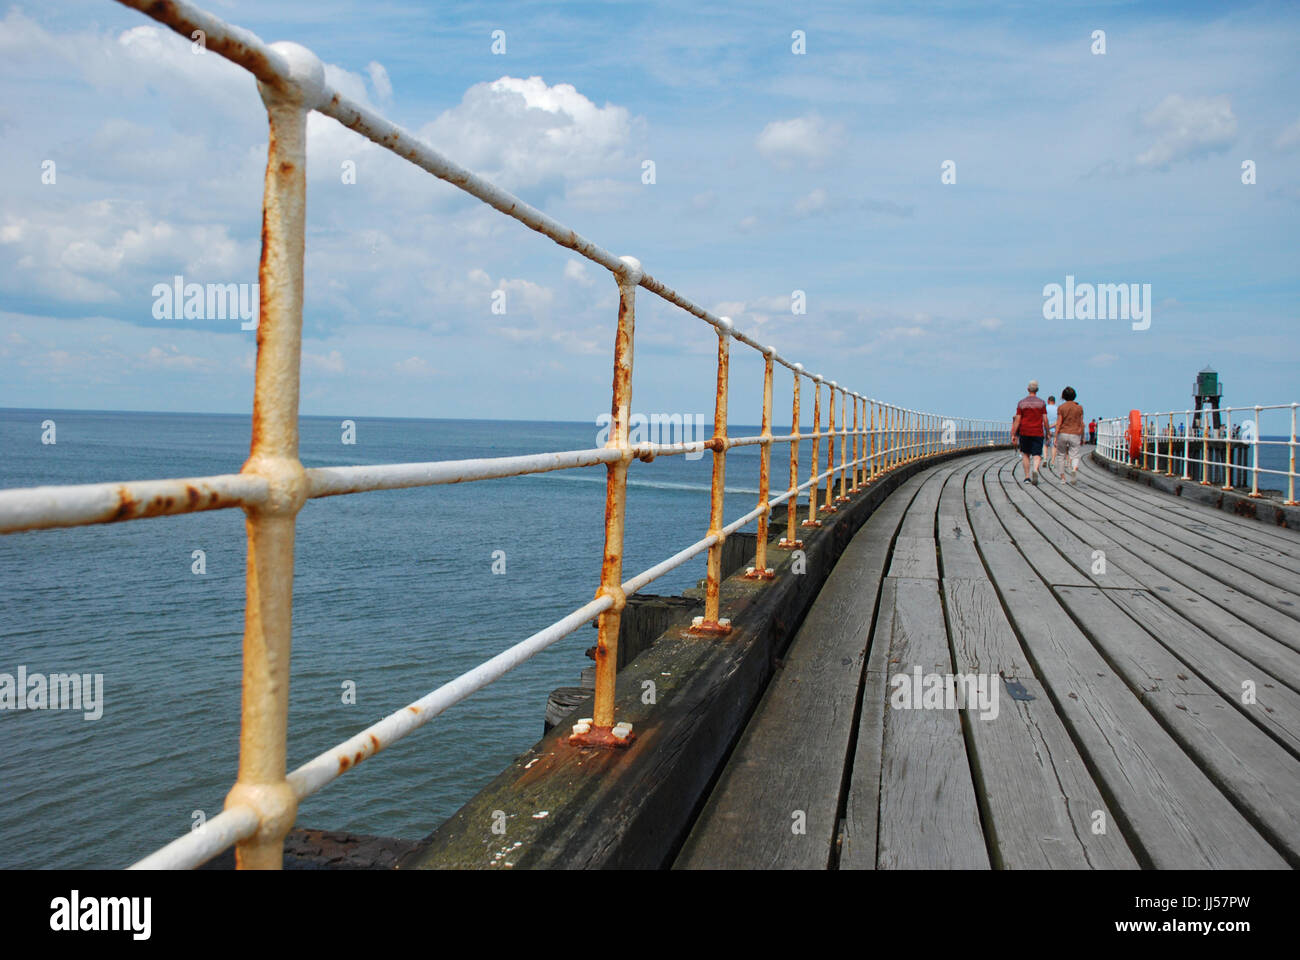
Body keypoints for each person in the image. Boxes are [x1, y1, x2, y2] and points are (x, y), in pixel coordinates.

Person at [1011, 380, 1048, 485]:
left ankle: (1027, 477)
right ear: (1037, 390)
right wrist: (1048, 432)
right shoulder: (1041, 403)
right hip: (1038, 431)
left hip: (1025, 431)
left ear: (1028, 389)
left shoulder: (1021, 403)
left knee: (1026, 454)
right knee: (1037, 454)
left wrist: (1014, 434)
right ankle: (1035, 469)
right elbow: (1045, 419)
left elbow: (1018, 420)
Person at [1054, 387, 1085, 484]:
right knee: (1075, 455)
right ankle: (1074, 470)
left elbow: (1059, 423)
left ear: (1063, 396)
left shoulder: (1061, 407)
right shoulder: (1079, 408)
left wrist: (1055, 436)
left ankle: (1062, 478)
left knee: (1061, 456)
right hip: (1075, 433)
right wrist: (1083, 436)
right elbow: (1081, 423)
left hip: (1063, 433)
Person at [1045, 395, 1058, 467]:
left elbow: (1043, 419)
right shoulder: (1058, 409)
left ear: (1048, 401)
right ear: (1054, 401)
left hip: (1045, 429)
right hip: (1054, 429)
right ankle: (1052, 462)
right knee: (1054, 446)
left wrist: (1047, 427)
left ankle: (1045, 459)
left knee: (1045, 445)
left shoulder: (1045, 408)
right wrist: (1051, 426)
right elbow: (1058, 421)